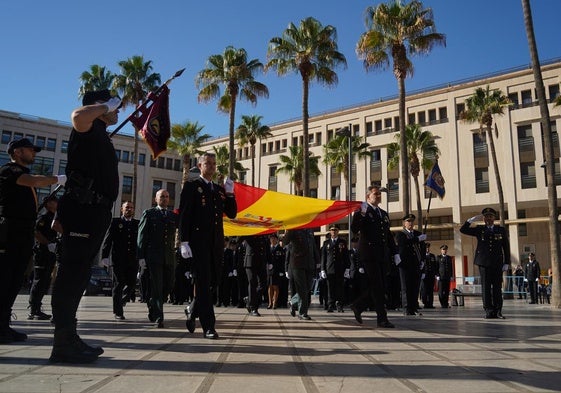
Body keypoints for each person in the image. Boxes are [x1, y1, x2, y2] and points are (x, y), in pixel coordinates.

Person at [50, 89, 120, 363]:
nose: (117, 111)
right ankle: (62, 342)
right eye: (114, 106)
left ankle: (70, 336)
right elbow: (77, 115)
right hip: (83, 209)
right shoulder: (86, 124)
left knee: (78, 275)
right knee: (71, 275)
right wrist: (106, 105)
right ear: (99, 105)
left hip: (94, 211)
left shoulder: (99, 133)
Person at [0, 138, 65, 344]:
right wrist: (57, 178)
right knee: (4, 280)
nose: (34, 153)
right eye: (30, 150)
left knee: (15, 281)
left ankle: (3, 326)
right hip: (8, 232)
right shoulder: (9, 170)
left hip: (22, 233)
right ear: (17, 152)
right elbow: (34, 181)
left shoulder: (21, 173)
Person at [179, 153, 237, 339]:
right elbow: (184, 215)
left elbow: (232, 213)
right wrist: (184, 241)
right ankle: (209, 327)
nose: (211, 166)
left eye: (213, 164)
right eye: (208, 163)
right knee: (203, 283)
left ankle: (192, 308)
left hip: (216, 243)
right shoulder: (191, 186)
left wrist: (229, 193)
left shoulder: (219, 190)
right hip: (198, 243)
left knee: (213, 282)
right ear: (200, 165)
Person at [349, 185, 398, 328]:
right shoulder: (363, 211)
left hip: (382, 254)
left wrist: (395, 252)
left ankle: (358, 305)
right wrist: (361, 214)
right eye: (375, 194)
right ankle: (382, 319)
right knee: (377, 286)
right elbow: (354, 229)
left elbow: (387, 235)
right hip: (369, 253)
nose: (378, 196)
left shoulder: (383, 213)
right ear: (368, 197)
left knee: (381, 286)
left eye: (379, 194)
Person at [137, 189, 178, 328]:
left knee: (169, 285)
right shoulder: (149, 214)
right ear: (156, 199)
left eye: (167, 197)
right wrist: (141, 256)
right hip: (154, 257)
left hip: (169, 257)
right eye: (162, 197)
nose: (165, 199)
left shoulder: (173, 216)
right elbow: (141, 236)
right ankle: (159, 317)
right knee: (157, 287)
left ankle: (151, 302)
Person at [460, 207, 510, 319]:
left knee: (497, 288)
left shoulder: (501, 230)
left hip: (497, 263)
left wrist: (507, 262)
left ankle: (498, 311)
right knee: (486, 288)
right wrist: (470, 220)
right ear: (483, 218)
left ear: (494, 218)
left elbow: (506, 246)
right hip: (483, 263)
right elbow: (463, 230)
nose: (488, 218)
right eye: (486, 216)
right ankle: (488, 310)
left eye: (490, 216)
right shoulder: (479, 229)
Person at [101, 201, 139, 320]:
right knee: (119, 284)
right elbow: (108, 239)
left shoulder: (137, 223)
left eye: (131, 208)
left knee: (132, 283)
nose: (129, 210)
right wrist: (104, 256)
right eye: (127, 207)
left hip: (133, 259)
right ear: (122, 209)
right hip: (118, 260)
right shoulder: (115, 222)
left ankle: (122, 299)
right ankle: (118, 312)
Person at [27, 195, 59, 320]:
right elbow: (36, 232)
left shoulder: (54, 217)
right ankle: (33, 309)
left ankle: (37, 307)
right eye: (54, 201)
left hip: (50, 253)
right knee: (39, 280)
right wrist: (47, 243)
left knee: (45, 281)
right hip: (42, 252)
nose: (56, 203)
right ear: (48, 204)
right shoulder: (44, 217)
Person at [283, 228, 318, 320]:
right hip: (297, 263)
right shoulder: (294, 229)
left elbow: (313, 246)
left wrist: (317, 261)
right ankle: (302, 313)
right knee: (302, 289)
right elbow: (285, 242)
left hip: (309, 263)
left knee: (308, 287)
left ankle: (293, 301)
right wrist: (288, 231)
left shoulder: (310, 231)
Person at [395, 214, 426, 316]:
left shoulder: (418, 233)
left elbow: (422, 249)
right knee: (406, 287)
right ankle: (406, 308)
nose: (410, 223)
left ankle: (414, 307)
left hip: (416, 264)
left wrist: (422, 261)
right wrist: (417, 239)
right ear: (404, 223)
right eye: (408, 221)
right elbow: (403, 244)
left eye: (412, 221)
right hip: (404, 264)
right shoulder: (400, 234)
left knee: (415, 287)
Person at [320, 225, 350, 313]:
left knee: (340, 288)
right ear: (330, 231)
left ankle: (340, 305)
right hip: (329, 269)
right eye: (332, 230)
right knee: (330, 288)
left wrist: (347, 269)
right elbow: (323, 257)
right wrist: (322, 269)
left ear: (338, 231)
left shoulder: (342, 242)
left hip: (340, 269)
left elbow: (346, 256)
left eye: (335, 230)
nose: (333, 232)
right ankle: (330, 305)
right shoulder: (326, 243)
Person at [239, 234, 270, 316]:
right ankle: (253, 308)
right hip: (250, 261)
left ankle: (250, 300)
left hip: (261, 262)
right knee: (253, 283)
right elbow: (240, 240)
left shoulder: (264, 235)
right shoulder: (248, 233)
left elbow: (267, 248)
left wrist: (270, 261)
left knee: (263, 284)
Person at [267, 233, 286, 309]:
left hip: (277, 270)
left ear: (277, 240)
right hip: (269, 270)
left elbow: (282, 261)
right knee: (269, 287)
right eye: (271, 238)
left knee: (275, 287)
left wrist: (282, 270)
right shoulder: (268, 248)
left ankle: (275, 302)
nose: (272, 240)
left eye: (274, 238)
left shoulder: (280, 249)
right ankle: (270, 302)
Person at [420, 242, 437, 309]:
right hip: (424, 275)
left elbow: (435, 265)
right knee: (424, 290)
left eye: (428, 248)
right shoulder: (422, 256)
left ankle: (430, 303)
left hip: (431, 275)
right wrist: (421, 273)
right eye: (426, 248)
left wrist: (435, 274)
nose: (427, 249)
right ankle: (425, 303)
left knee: (430, 290)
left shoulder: (432, 256)